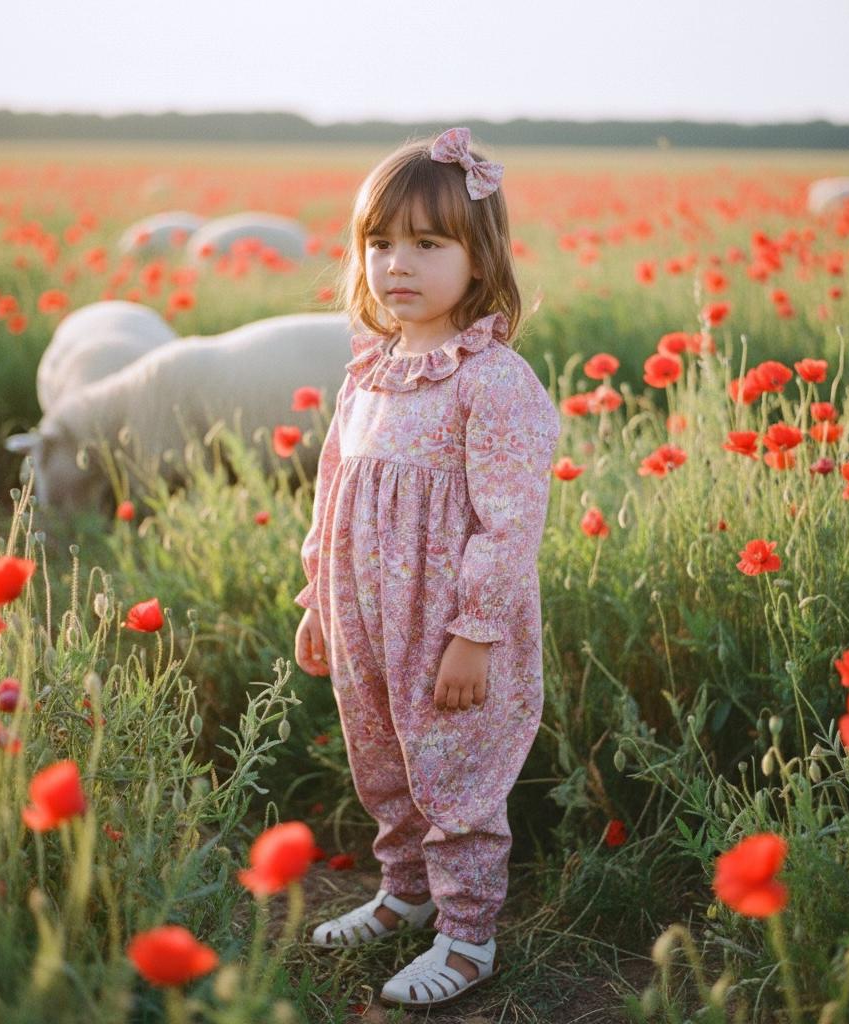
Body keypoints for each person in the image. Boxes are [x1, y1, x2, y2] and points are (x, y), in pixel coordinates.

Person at [292, 126, 561, 1009]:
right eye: (379, 243)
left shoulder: (492, 381)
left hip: (447, 629)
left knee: (455, 775)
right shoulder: (370, 373)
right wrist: (317, 600)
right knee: (382, 765)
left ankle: (468, 935)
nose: (397, 264)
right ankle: (406, 892)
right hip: (365, 617)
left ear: (480, 259)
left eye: (428, 243)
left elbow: (510, 522)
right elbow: (333, 493)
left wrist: (476, 632)